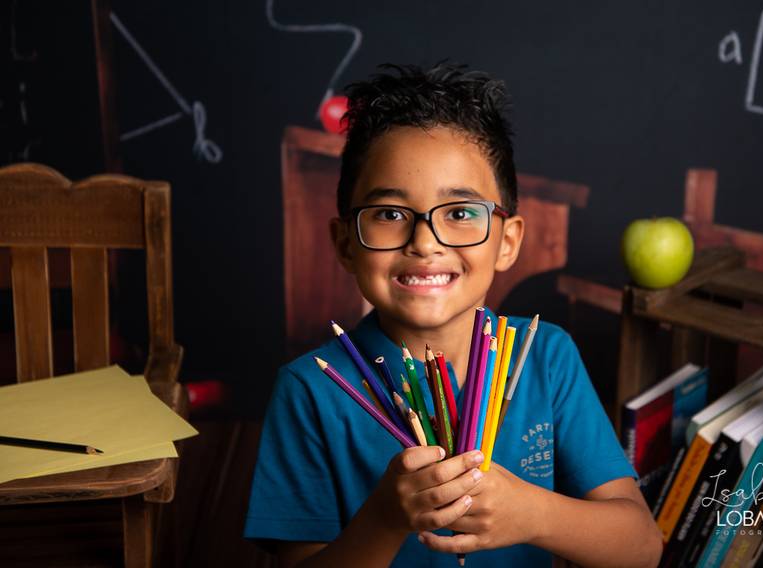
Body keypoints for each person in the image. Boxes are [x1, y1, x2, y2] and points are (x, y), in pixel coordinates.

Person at [244, 63, 663, 567]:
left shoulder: (546, 357)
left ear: (507, 242)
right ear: (345, 243)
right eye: (389, 214)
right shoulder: (310, 389)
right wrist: (384, 518)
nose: (424, 243)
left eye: (461, 214)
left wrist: (534, 514)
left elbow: (641, 548)